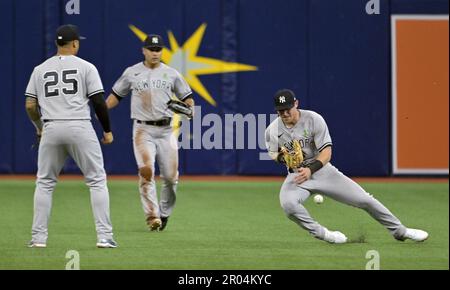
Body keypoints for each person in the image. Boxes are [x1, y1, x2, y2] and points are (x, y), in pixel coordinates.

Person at [264, 89, 428, 244]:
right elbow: (272, 152)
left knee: (364, 200)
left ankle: (400, 231)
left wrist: (310, 169)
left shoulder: (314, 119)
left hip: (323, 171)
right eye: (280, 110)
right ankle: (324, 234)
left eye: (287, 109)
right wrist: (282, 158)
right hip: (297, 175)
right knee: (288, 205)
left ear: (296, 104)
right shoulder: (272, 130)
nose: (284, 113)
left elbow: (327, 153)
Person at [25, 24, 117, 248]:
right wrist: (107, 130)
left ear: (57, 44)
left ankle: (38, 239)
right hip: (79, 126)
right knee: (96, 181)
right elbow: (98, 103)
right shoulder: (86, 67)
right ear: (74, 43)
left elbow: (30, 105)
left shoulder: (40, 69)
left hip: (52, 127)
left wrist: (39, 126)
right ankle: (104, 237)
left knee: (45, 183)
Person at [105, 34, 194, 231]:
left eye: (158, 50)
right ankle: (152, 216)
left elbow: (187, 98)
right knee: (146, 172)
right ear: (143, 50)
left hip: (166, 130)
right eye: (152, 49)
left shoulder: (171, 73)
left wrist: (190, 107)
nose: (155, 53)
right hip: (142, 129)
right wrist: (101, 109)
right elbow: (115, 95)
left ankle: (164, 213)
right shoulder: (131, 72)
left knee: (171, 178)